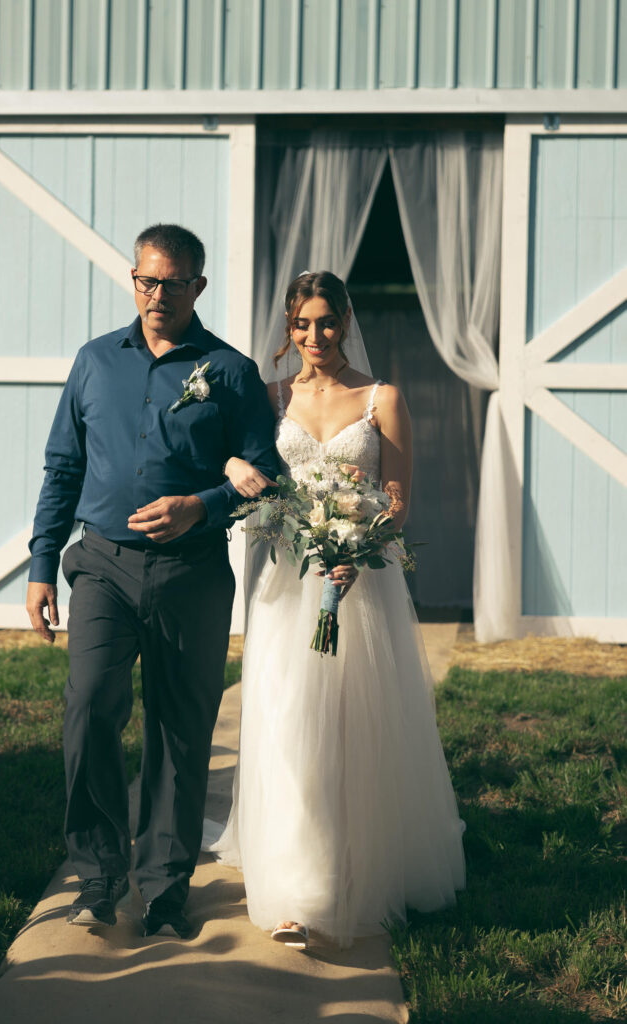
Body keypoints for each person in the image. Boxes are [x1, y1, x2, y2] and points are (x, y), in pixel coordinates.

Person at [26, 223, 278, 939]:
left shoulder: (228, 373)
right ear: (132, 278)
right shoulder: (95, 361)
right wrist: (43, 564)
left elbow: (267, 475)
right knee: (90, 708)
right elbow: (62, 468)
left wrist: (202, 505)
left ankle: (165, 893)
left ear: (198, 286)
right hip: (100, 565)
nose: (156, 294)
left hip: (191, 575)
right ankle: (98, 875)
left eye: (171, 282)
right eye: (145, 279)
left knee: (179, 732)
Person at [209, 270, 465, 949]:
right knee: (290, 726)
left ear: (346, 321)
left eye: (325, 322)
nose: (314, 336)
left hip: (360, 584)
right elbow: (237, 463)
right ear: (288, 329)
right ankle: (298, 891)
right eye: (301, 324)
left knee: (354, 730)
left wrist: (361, 544)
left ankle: (362, 864)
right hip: (289, 587)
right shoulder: (268, 397)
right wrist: (237, 465)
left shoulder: (382, 398)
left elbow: (398, 497)